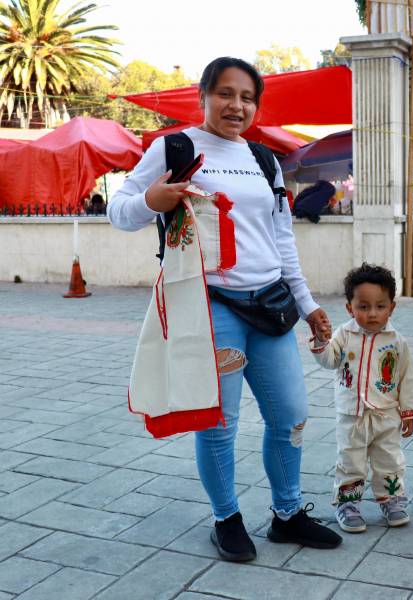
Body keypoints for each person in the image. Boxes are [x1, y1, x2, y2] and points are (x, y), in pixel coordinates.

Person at [108, 56, 341, 562]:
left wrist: (307, 305)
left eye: (247, 97)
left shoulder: (263, 159)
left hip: (271, 307)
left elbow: (282, 240)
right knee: (219, 422)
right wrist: (154, 197)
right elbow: (119, 211)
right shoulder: (174, 148)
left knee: (292, 415)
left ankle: (287, 514)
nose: (237, 105)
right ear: (204, 96)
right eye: (226, 94)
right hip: (212, 308)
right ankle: (226, 518)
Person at [310, 264, 413, 533]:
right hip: (353, 415)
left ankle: (391, 499)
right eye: (363, 307)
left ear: (391, 307)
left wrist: (409, 412)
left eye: (380, 306)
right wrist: (321, 340)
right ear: (350, 308)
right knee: (351, 461)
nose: (372, 313)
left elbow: (407, 378)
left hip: (387, 414)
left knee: (390, 459)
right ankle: (347, 504)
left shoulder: (397, 342)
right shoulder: (343, 335)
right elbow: (328, 361)